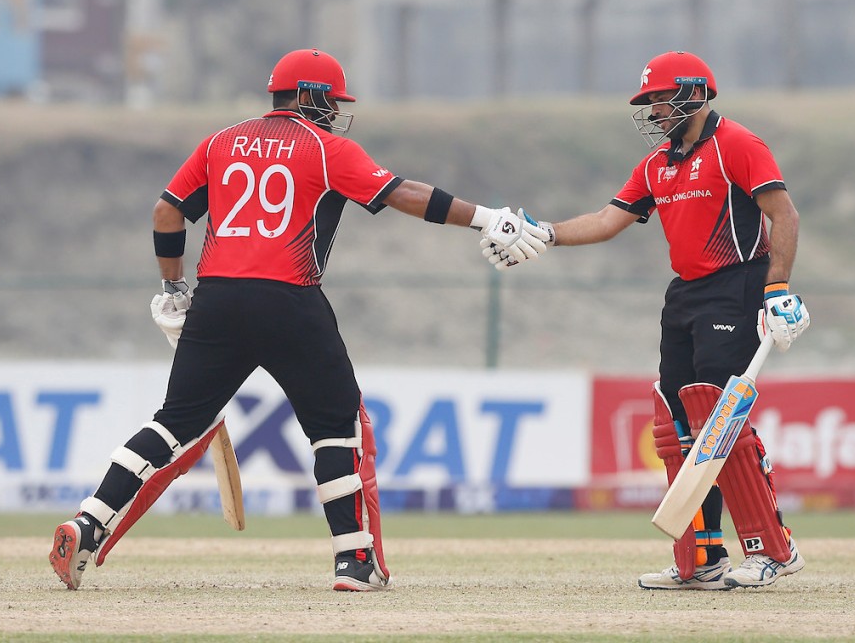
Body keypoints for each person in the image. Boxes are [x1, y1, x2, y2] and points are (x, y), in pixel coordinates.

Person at [49, 48, 548, 592]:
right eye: (331, 101)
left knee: (174, 424)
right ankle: (353, 561)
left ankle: (88, 523)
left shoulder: (220, 141)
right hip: (290, 299)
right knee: (336, 425)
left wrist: (174, 287)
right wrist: (484, 218)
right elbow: (401, 192)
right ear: (309, 96)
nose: (335, 112)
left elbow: (167, 212)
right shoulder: (324, 146)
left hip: (217, 299)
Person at [484, 50, 810, 589]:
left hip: (736, 287)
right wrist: (544, 233)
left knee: (719, 416)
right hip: (684, 294)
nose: (656, 109)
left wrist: (777, 290)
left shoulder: (738, 145)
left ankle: (774, 549)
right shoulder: (659, 162)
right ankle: (701, 559)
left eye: (663, 97)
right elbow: (609, 219)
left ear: (697, 94)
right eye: (650, 101)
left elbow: (785, 215)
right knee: (677, 421)